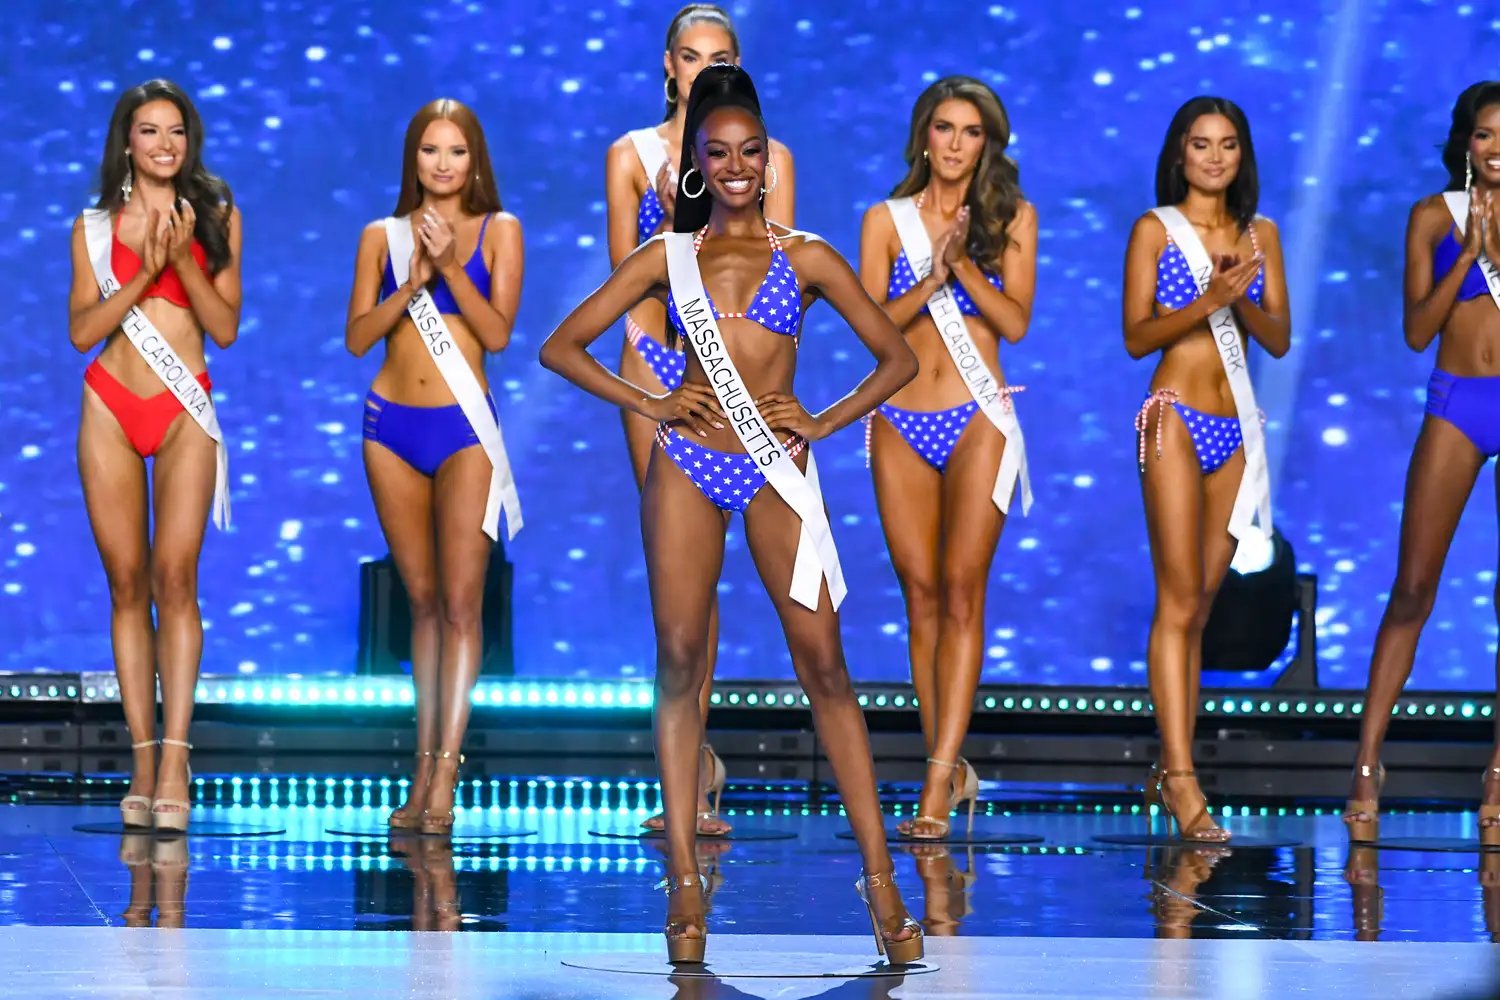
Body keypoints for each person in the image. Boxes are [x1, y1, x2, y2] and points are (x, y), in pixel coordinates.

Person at [542, 64, 923, 966]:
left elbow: (897, 358)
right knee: (679, 661)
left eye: (751, 151)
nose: (739, 166)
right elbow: (562, 346)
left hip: (775, 467)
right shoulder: (669, 257)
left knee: (825, 665)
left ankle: (881, 885)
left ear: (768, 159)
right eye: (719, 154)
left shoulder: (810, 255)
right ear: (698, 167)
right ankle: (682, 884)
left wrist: (823, 420)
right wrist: (653, 403)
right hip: (687, 463)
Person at [604, 2, 796, 836]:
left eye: (719, 55)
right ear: (669, 65)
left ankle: (700, 755)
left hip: (739, 384)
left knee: (719, 572)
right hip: (657, 367)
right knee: (675, 577)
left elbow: (779, 276)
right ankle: (679, 775)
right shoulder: (631, 156)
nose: (702, 67)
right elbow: (627, 282)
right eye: (690, 55)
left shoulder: (770, 159)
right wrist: (664, 380)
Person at [859, 76, 1037, 840]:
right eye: (944, 128)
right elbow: (872, 325)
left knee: (964, 591)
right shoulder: (884, 220)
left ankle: (937, 780)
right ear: (923, 136)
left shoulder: (1014, 218)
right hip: (900, 416)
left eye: (970, 131)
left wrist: (964, 268)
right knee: (921, 593)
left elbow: (1017, 321)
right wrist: (929, 272)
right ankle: (947, 760)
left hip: (979, 415)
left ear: (987, 142)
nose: (956, 143)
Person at [345, 98, 524, 837]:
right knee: (419, 603)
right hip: (390, 428)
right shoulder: (379, 237)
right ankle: (419, 766)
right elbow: (358, 337)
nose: (441, 164)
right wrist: (415, 279)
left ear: (475, 159)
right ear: (411, 160)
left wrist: (452, 264)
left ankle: (445, 775)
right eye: (428, 151)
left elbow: (498, 333)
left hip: (463, 430)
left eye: (455, 151)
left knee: (461, 605)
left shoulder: (501, 231)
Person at [68, 79, 243, 834]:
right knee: (126, 584)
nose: (165, 144)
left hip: (184, 408)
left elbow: (227, 328)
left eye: (176, 131)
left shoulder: (219, 214)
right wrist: (143, 270)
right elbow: (81, 331)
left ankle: (176, 756)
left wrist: (184, 259)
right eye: (149, 131)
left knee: (177, 578)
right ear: (127, 142)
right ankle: (141, 756)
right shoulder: (93, 225)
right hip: (110, 400)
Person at [1121, 96, 1290, 843]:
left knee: (1202, 605)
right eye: (1200, 144)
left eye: (1227, 144)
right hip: (1175, 418)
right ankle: (1183, 779)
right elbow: (1136, 335)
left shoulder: (1263, 235)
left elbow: (1278, 338)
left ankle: (1173, 766)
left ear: (1242, 155)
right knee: (1177, 596)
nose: (1214, 157)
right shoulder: (1155, 229)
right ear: (1179, 154)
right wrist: (1209, 299)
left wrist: (1240, 298)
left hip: (1237, 426)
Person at [1346, 81, 1500, 844]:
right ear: (1464, 142)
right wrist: (1468, 254)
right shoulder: (1432, 215)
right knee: (1412, 587)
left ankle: (1499, 772)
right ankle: (1369, 764)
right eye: (1484, 134)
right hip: (1457, 401)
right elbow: (1416, 329)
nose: (1496, 147)